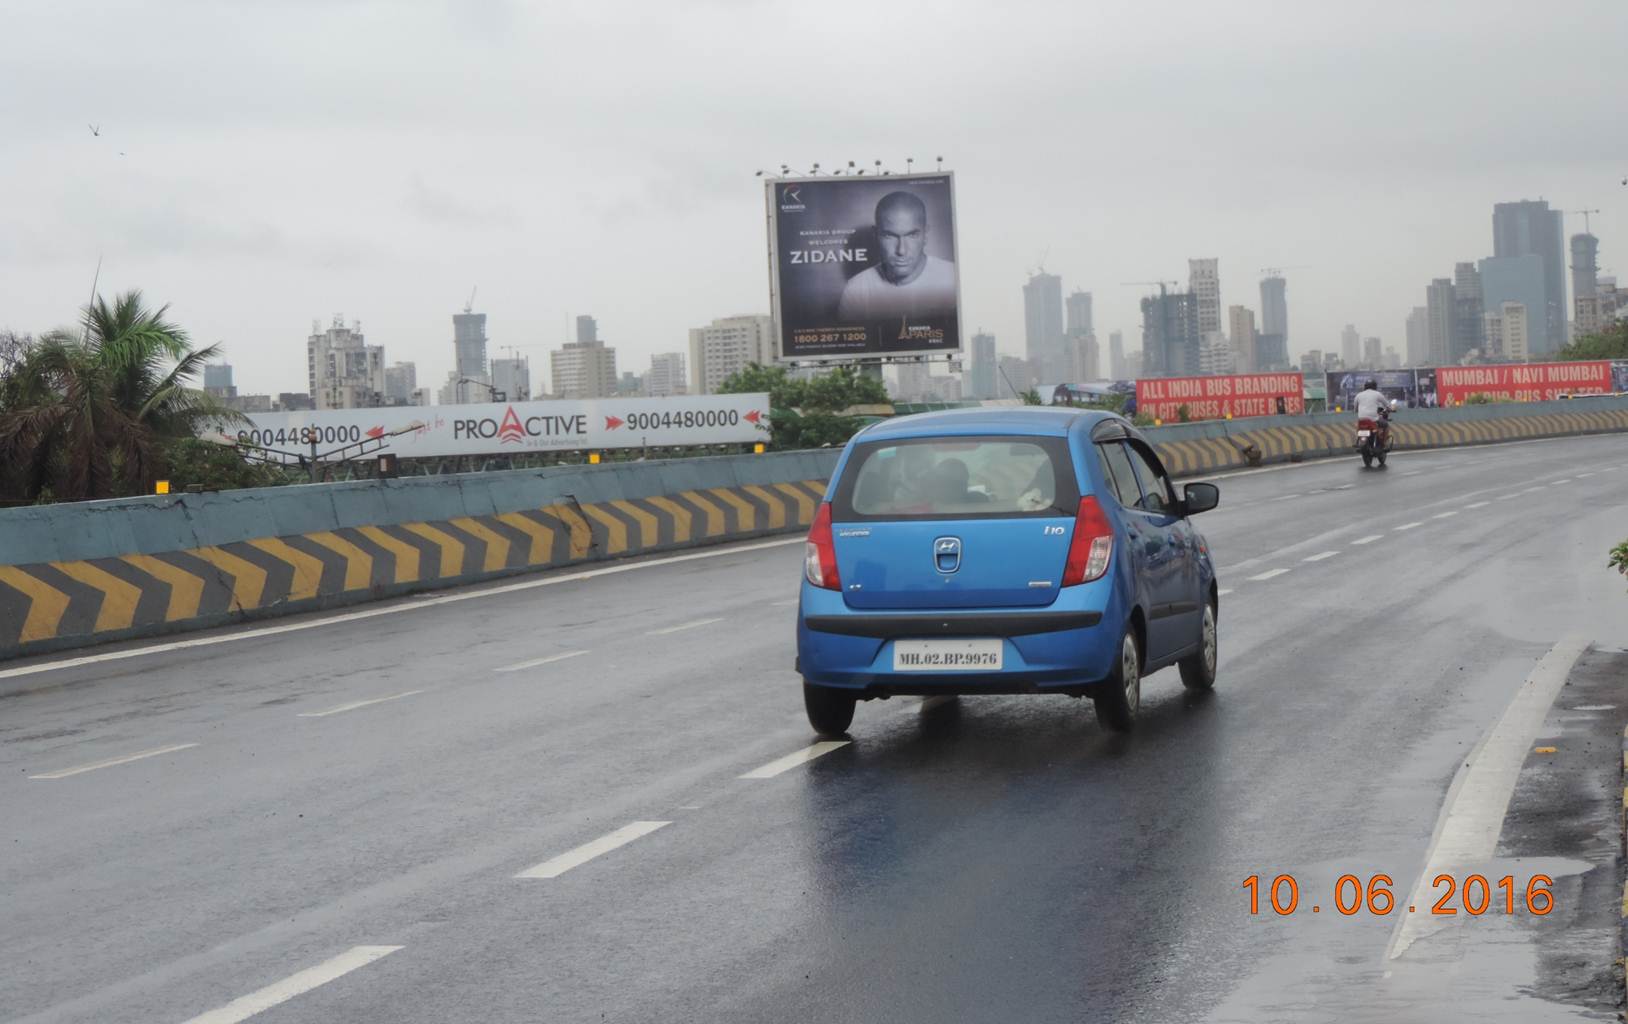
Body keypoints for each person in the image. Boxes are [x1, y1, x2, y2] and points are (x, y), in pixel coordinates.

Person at [836, 191, 958, 322]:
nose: (901, 250)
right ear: (875, 235)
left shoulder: (953, 278)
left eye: (912, 235)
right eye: (889, 236)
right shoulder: (856, 289)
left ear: (925, 235)